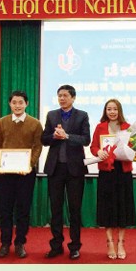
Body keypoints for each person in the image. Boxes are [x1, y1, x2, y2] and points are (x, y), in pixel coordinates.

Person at [42, 84, 90, 260]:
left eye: (65, 96)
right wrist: (54, 136)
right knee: (55, 209)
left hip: (75, 169)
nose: (62, 98)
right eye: (59, 95)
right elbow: (44, 139)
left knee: (74, 210)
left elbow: (86, 140)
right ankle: (56, 245)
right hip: (55, 168)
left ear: (73, 98)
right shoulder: (52, 115)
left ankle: (74, 246)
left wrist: (67, 136)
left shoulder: (82, 115)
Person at [0, 90, 43, 259]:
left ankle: (20, 242)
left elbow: (38, 146)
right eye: (14, 102)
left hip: (26, 173)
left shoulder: (35, 123)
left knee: (23, 210)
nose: (17, 106)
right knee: (5, 210)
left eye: (20, 102)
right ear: (10, 104)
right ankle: (5, 243)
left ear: (26, 104)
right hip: (6, 172)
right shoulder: (1, 122)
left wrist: (30, 164)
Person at [90, 99, 136, 260]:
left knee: (123, 208)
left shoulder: (128, 127)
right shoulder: (100, 127)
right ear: (105, 111)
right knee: (107, 208)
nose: (112, 112)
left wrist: (130, 151)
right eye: (109, 109)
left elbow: (134, 148)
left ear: (119, 110)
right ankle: (109, 242)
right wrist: (98, 152)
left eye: (115, 109)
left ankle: (121, 243)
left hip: (123, 172)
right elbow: (93, 146)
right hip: (106, 172)